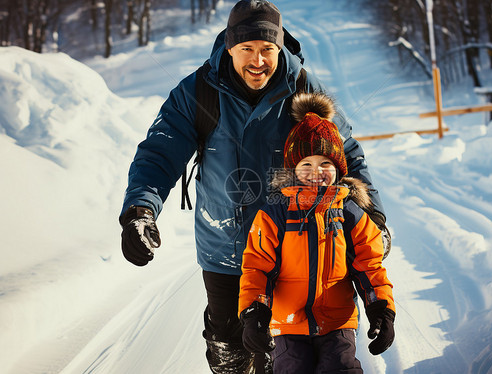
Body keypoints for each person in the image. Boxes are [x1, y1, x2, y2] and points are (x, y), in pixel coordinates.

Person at [118, 0, 389, 373]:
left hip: (295, 249)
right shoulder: (198, 91)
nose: (257, 60)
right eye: (246, 49)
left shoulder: (303, 89)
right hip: (225, 251)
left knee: (283, 356)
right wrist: (140, 210)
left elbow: (346, 154)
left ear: (279, 47)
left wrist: (371, 213)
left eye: (267, 49)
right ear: (229, 47)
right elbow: (159, 153)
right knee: (229, 351)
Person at [238, 92, 395, 373]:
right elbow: (256, 268)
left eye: (326, 164)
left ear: (338, 168)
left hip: (337, 322)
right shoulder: (274, 213)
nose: (316, 172)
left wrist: (380, 307)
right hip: (286, 324)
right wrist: (255, 311)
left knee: (342, 367)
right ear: (293, 168)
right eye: (306, 164)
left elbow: (369, 264)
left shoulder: (350, 212)